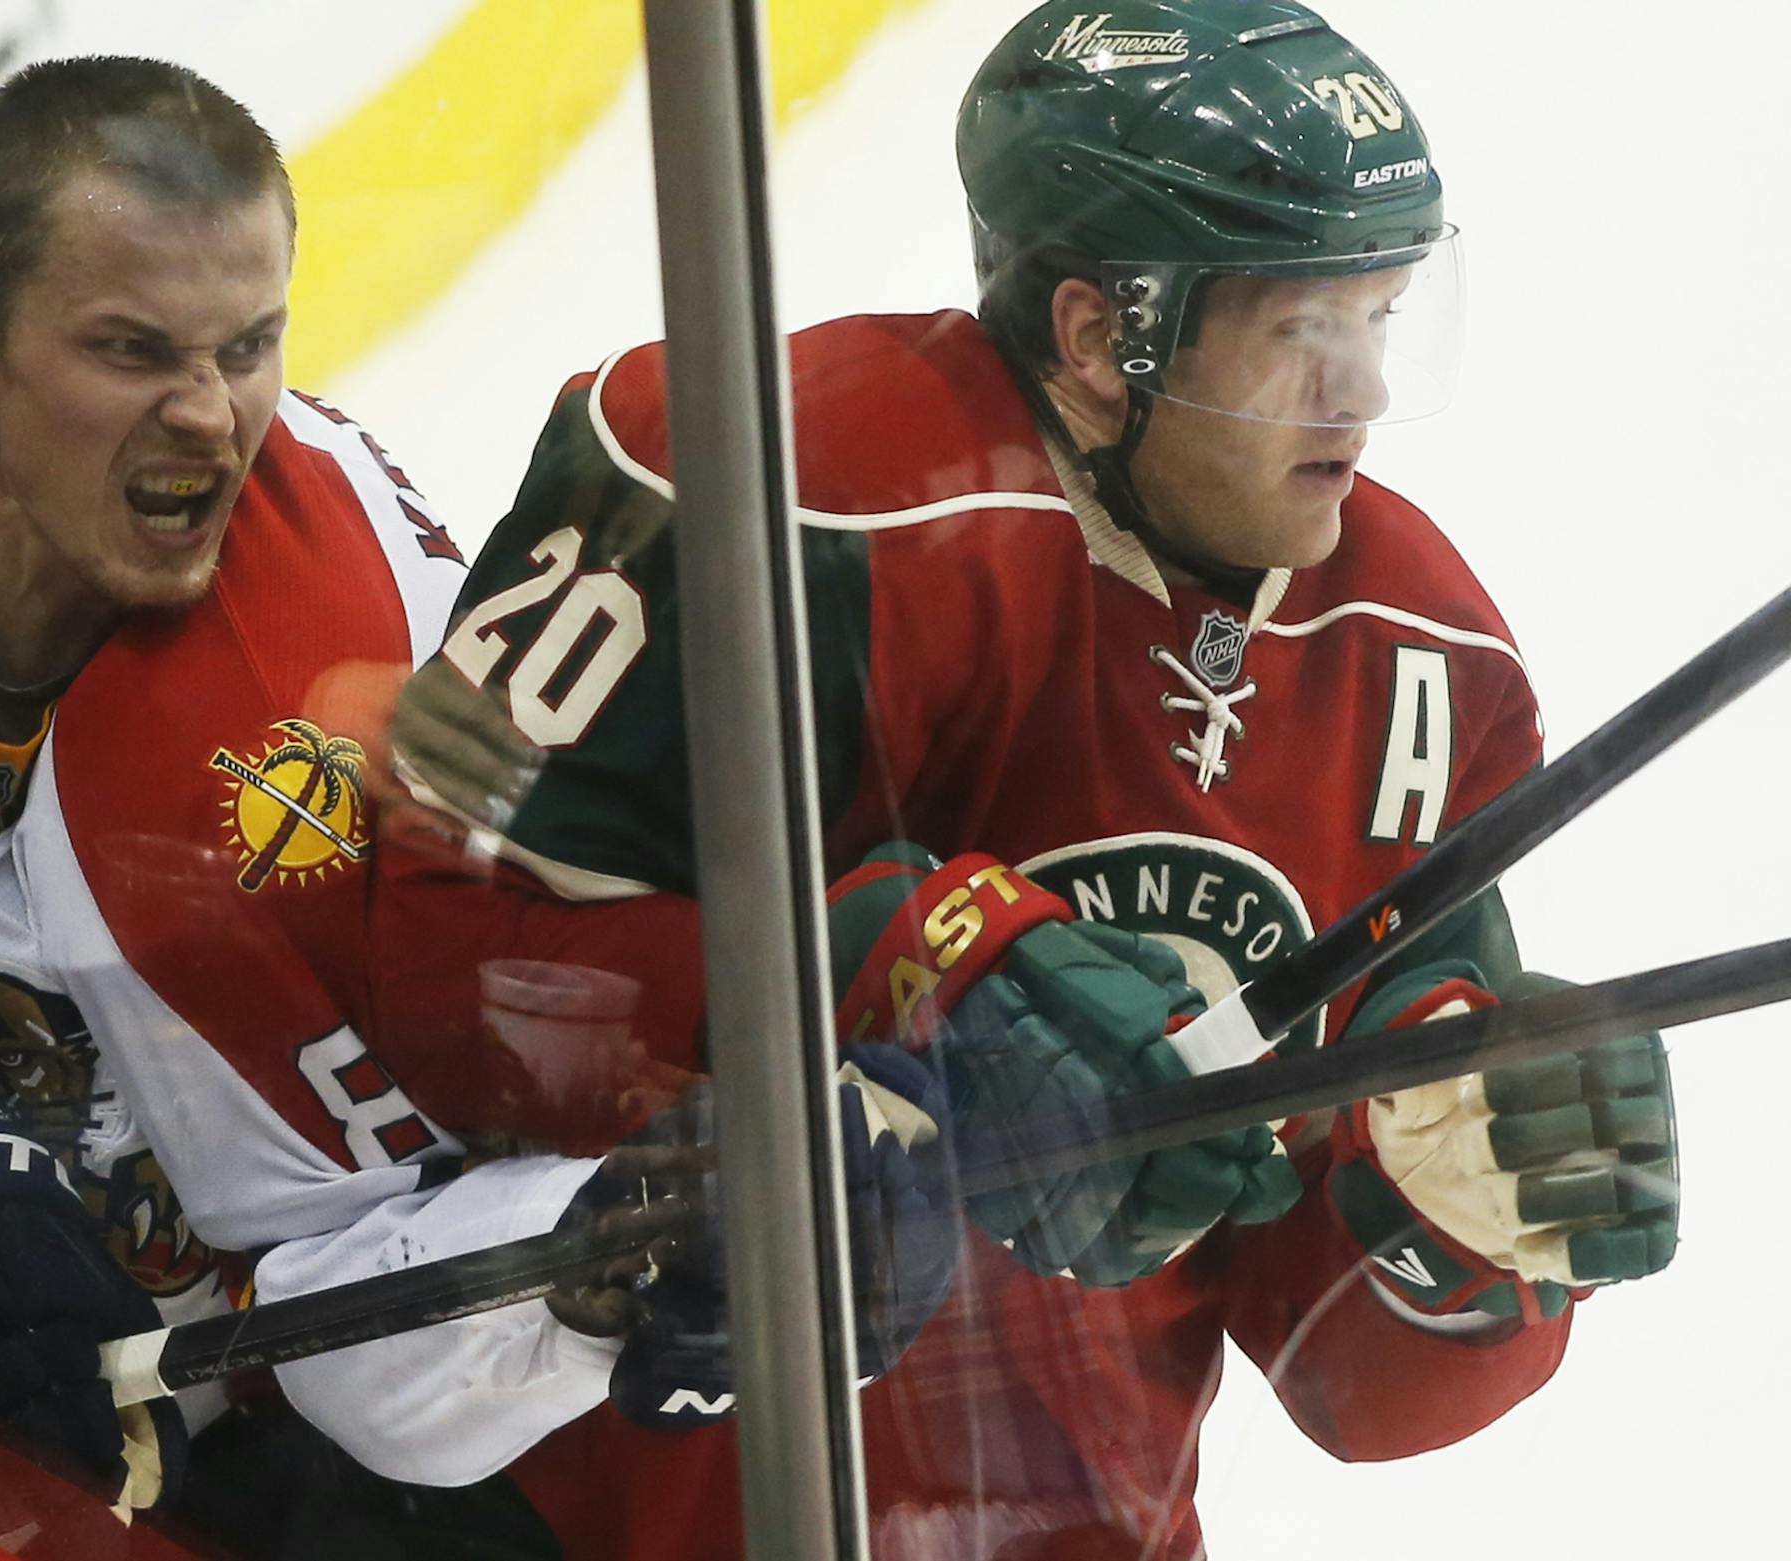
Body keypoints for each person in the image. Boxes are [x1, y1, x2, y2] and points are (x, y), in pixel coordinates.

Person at [241, 2, 1679, 1557]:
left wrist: (1468, 1228)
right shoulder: (753, 491)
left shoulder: (1423, 662)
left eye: (1382, 319)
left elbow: (1344, 1376)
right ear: (1097, 334)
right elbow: (443, 991)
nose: (1363, 396)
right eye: (1299, 332)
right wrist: (864, 972)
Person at [0, 54, 561, 1559]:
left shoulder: (343, 656)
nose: (211, 416)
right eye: (134, 349)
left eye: (249, 345)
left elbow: (435, 1205)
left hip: (291, 1422)